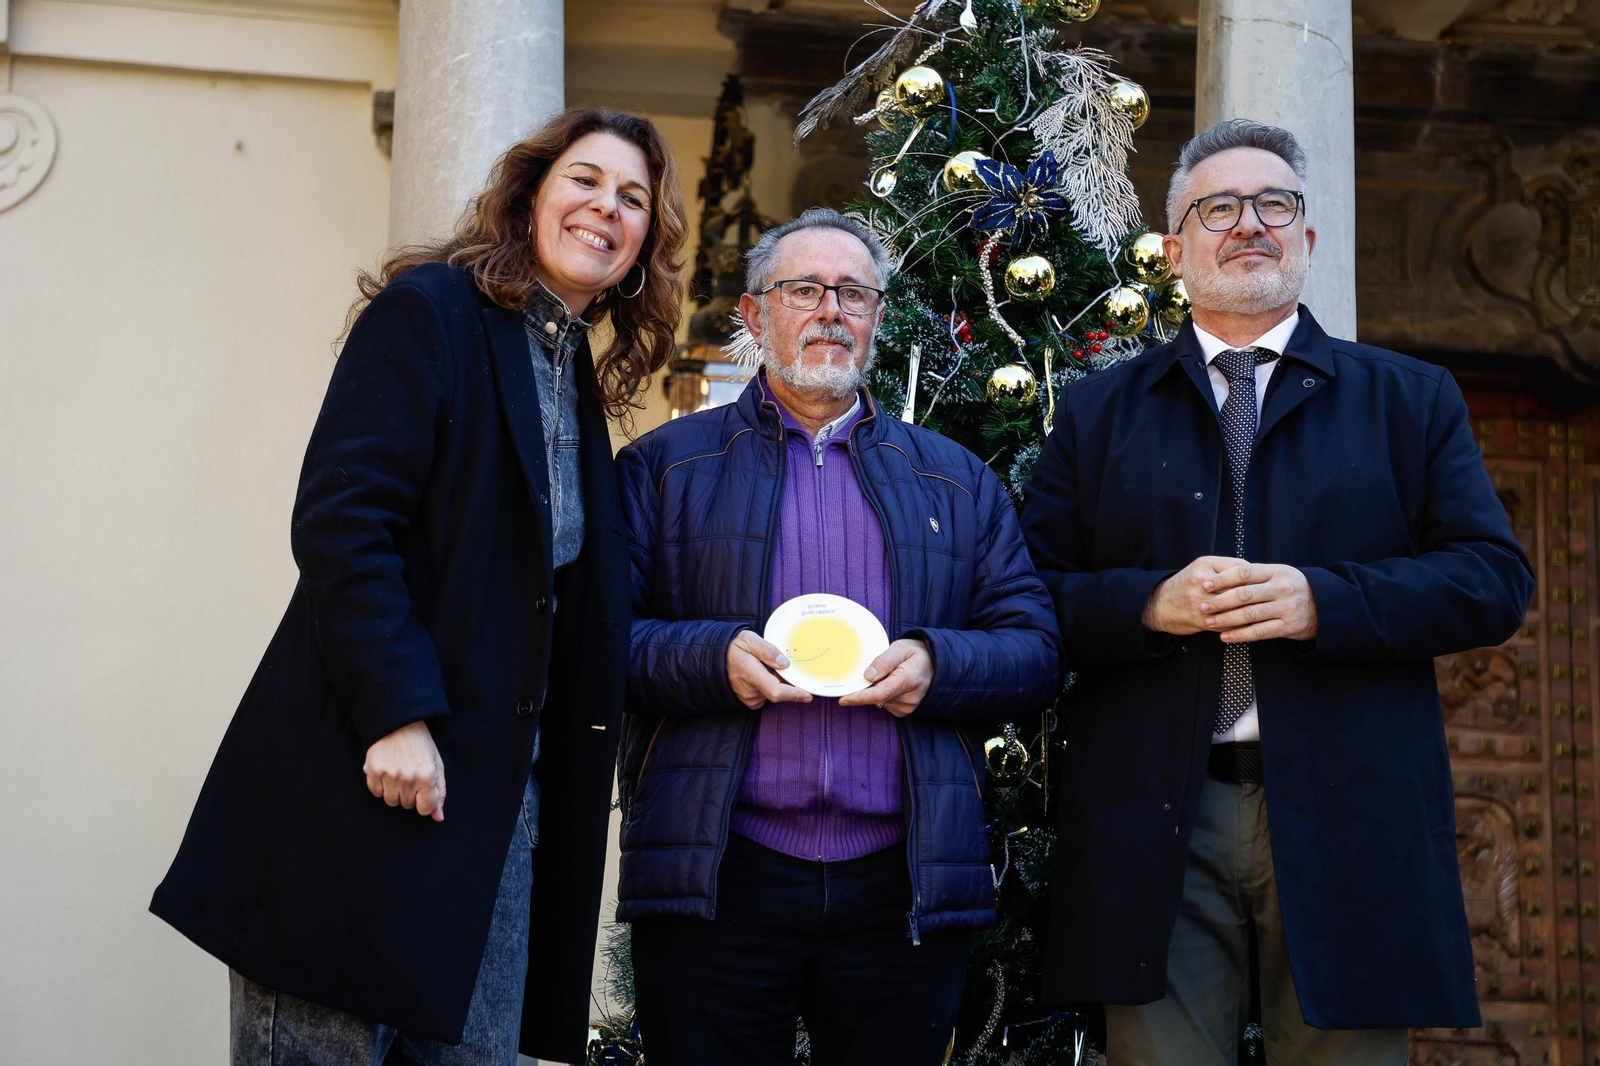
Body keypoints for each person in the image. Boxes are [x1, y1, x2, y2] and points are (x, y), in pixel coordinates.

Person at [149, 108, 686, 1066]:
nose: (607, 207)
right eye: (585, 180)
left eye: (632, 198)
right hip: (362, 793)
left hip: (493, 839)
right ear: (530, 196)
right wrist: (396, 713)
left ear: (646, 243)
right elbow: (344, 522)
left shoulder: (570, 376)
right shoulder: (431, 312)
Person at [1021, 118, 1535, 1065]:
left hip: (1352, 809)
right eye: (1219, 208)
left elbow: (1493, 581)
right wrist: (1147, 605)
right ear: (1174, 251)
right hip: (1155, 813)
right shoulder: (1098, 413)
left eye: (1274, 204)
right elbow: (1028, 599)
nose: (1249, 224)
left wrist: (1323, 601)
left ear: (1307, 236)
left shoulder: (1410, 398)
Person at [615, 207, 1061, 1065]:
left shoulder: (957, 480)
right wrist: (711, 659)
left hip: (903, 878)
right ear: (755, 315)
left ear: (878, 318)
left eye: (853, 293)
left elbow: (1035, 649)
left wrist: (938, 662)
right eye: (804, 290)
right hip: (721, 871)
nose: (831, 310)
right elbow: (600, 644)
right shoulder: (665, 469)